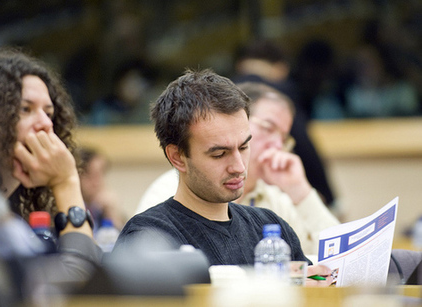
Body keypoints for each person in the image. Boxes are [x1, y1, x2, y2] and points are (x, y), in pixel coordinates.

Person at [113, 69, 332, 286]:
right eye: (219, 154)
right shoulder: (148, 236)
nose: (238, 167)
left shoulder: (272, 226)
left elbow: (322, 273)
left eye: (244, 147)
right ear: (177, 157)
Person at [0, 48, 102, 300]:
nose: (45, 123)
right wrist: (66, 182)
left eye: (49, 113)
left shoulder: (14, 215)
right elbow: (77, 282)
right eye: (25, 109)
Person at [136, 82, 340, 255]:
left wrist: (300, 190)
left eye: (284, 138)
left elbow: (337, 257)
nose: (277, 145)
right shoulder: (167, 193)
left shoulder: (274, 202)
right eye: (268, 128)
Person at [232, 39, 336, 208]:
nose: (277, 144)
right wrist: (332, 200)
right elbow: (305, 146)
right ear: (282, 68)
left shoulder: (221, 88)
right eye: (267, 128)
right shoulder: (280, 93)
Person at [78, 147, 127, 230]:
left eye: (101, 173)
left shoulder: (103, 208)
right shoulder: (71, 209)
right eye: (89, 174)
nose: (96, 182)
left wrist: (112, 214)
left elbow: (128, 241)